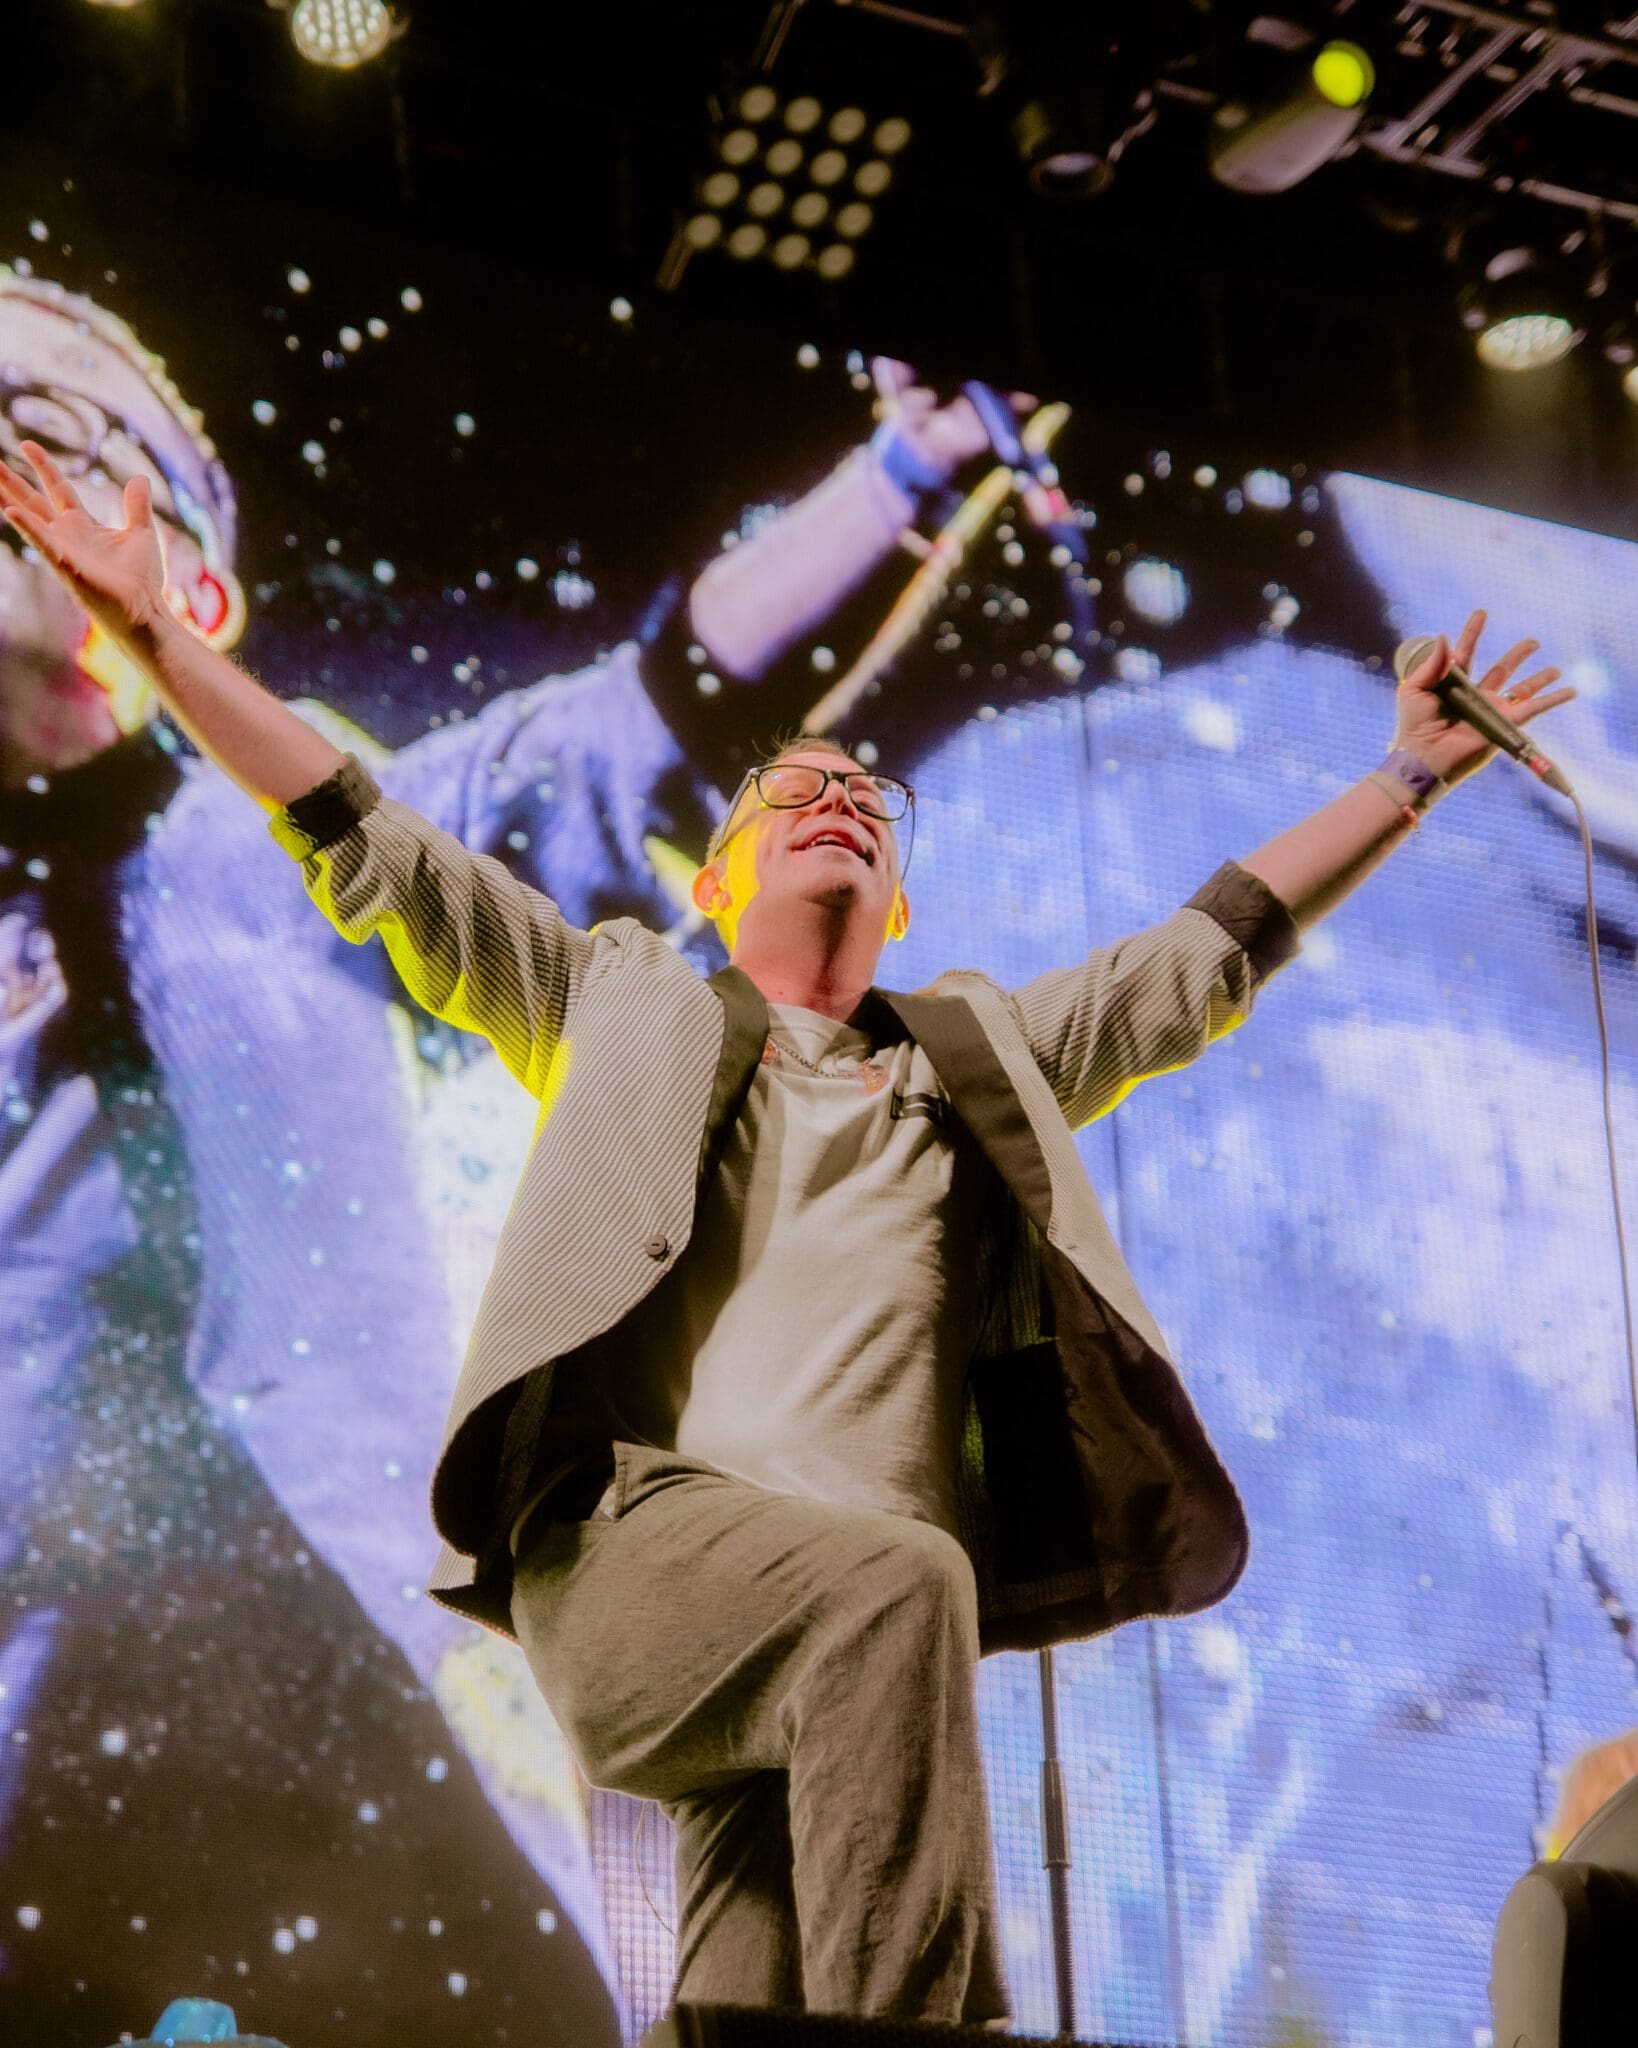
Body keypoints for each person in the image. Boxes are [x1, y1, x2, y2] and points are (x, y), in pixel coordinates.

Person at [0, 434, 1575, 2023]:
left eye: (866, 803)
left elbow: (1210, 948)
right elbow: (359, 831)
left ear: (894, 901)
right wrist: (154, 637)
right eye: (793, 794)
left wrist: (1404, 777)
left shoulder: (980, 1058)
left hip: (820, 1654)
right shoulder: (607, 1000)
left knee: (750, 1961)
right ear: (719, 869)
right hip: (642, 1577)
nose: (837, 802)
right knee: (899, 1592)